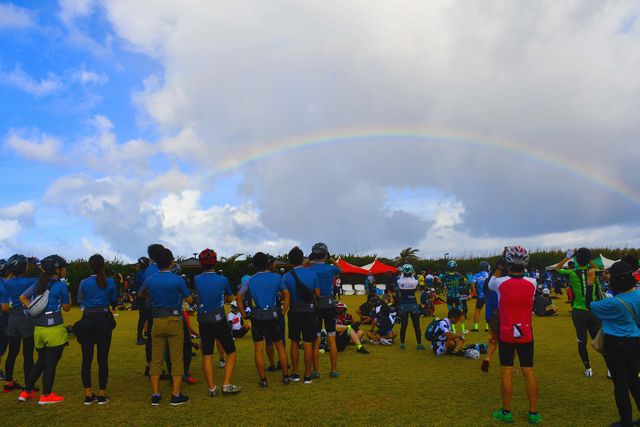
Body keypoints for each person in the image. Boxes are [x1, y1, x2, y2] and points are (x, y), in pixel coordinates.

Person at [488, 246, 541, 425]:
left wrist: (500, 263)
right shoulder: (533, 282)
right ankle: (533, 413)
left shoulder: (499, 282)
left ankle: (506, 412)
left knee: (507, 371)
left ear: (507, 262)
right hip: (526, 331)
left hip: (506, 332)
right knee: (528, 370)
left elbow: (491, 280)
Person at [140, 247, 193, 406]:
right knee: (176, 358)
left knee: (156, 358)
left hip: (157, 320)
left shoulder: (151, 279)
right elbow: (189, 299)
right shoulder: (177, 280)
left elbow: (141, 294)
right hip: (174, 319)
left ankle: (155, 394)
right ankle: (176, 394)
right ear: (171, 262)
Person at [591, 261, 640, 427]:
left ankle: (625, 422)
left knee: (620, 386)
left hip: (615, 344)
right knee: (634, 381)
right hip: (636, 343)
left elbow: (590, 305)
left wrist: (591, 284)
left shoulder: (613, 303)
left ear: (615, 280)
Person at [18, 255, 71, 404]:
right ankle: (46, 395)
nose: (65, 270)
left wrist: (33, 308)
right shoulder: (61, 285)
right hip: (54, 328)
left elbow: (22, 297)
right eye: (64, 267)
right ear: (57, 269)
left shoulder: (38, 282)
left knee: (41, 361)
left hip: (39, 329)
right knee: (51, 363)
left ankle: (26, 392)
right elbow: (67, 308)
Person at [236, 252, 290, 388]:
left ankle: (263, 380)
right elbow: (287, 295)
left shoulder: (250, 280)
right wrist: (283, 312)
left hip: (258, 315)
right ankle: (285, 376)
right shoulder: (277, 278)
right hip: (273, 314)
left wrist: (243, 314)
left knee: (258, 348)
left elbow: (238, 297)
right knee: (280, 346)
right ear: (267, 263)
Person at [194, 248, 241, 396]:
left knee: (207, 354)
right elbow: (229, 297)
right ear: (215, 262)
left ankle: (212, 388)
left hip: (203, 320)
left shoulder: (196, 279)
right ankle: (226, 384)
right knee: (231, 352)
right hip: (219, 320)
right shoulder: (223, 279)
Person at [76, 254, 118, 405]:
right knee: (102, 359)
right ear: (103, 265)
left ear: (89, 266)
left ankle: (88, 394)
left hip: (87, 320)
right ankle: (102, 393)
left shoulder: (84, 282)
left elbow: (80, 300)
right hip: (103, 320)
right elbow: (114, 301)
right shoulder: (110, 282)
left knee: (86, 359)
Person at [555, 247, 603, 377]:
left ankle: (588, 369)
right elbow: (602, 270)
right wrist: (589, 260)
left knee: (582, 341)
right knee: (599, 340)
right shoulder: (593, 271)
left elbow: (557, 268)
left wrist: (568, 256)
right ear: (588, 259)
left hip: (579, 312)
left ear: (576, 259)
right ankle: (610, 368)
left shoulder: (572, 272)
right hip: (593, 310)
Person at [283, 246, 319, 384]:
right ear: (303, 257)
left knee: (294, 341)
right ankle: (308, 375)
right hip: (309, 311)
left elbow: (284, 295)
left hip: (294, 311)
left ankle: (296, 372)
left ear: (290, 260)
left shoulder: (286, 277)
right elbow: (317, 293)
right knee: (309, 343)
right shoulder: (312, 274)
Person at [2, 254, 36, 393]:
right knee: (28, 354)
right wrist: (37, 263)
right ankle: (29, 385)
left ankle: (9, 382)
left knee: (12, 352)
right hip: (26, 318)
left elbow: (8, 280)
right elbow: (49, 277)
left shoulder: (6, 283)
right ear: (24, 268)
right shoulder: (30, 281)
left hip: (12, 319)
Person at [307, 243, 342, 379]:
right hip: (329, 305)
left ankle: (316, 371)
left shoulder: (310, 269)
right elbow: (342, 270)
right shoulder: (330, 269)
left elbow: (303, 266)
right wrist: (332, 259)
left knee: (316, 340)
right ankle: (333, 370)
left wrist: (310, 260)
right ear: (325, 254)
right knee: (331, 339)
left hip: (315, 306)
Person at [396, 264, 425, 351]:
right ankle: (419, 344)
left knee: (403, 326)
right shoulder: (415, 282)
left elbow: (400, 278)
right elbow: (414, 278)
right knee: (416, 326)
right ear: (412, 272)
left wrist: (402, 273)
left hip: (403, 305)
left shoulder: (400, 282)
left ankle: (402, 344)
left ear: (403, 272)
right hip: (413, 304)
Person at [442, 260, 468, 333]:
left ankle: (453, 329)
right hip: (457, 295)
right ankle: (463, 329)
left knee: (451, 313)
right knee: (460, 312)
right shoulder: (459, 276)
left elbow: (442, 284)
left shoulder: (445, 276)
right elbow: (465, 282)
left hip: (449, 295)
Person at [134, 257, 150, 345]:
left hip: (140, 297)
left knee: (142, 318)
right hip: (145, 297)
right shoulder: (144, 273)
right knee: (147, 317)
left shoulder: (139, 273)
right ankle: (141, 336)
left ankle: (140, 337)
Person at [472, 261, 490, 332]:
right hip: (488, 296)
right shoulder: (489, 274)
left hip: (480, 296)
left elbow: (472, 284)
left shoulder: (476, 275)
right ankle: (487, 327)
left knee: (477, 311)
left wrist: (475, 293)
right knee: (488, 311)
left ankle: (476, 328)